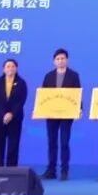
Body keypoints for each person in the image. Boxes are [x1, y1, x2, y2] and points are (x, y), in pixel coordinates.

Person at [41, 48, 80, 181]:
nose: (60, 61)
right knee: (52, 142)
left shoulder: (73, 75)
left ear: (67, 60)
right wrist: (39, 109)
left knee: (64, 142)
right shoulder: (48, 76)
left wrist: (79, 109)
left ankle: (64, 171)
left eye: (62, 58)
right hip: (51, 114)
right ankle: (51, 170)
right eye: (58, 59)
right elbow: (43, 95)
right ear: (54, 61)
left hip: (66, 114)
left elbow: (77, 93)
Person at [0, 58, 27, 166]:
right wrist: (4, 114)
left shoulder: (21, 83)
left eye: (13, 66)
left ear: (16, 68)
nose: (10, 68)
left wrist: (11, 114)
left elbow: (21, 101)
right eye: (8, 66)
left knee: (13, 145)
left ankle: (12, 169)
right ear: (3, 69)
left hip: (15, 118)